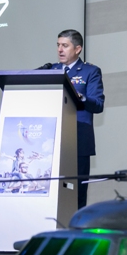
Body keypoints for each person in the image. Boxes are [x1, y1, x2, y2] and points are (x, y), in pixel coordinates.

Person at [52, 29, 104, 208]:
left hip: (78, 140)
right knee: (53, 191)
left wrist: (80, 97)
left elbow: (98, 104)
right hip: (52, 140)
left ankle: (76, 224)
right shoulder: (51, 70)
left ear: (77, 49)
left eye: (65, 45)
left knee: (76, 194)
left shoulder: (90, 71)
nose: (60, 49)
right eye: (58, 45)